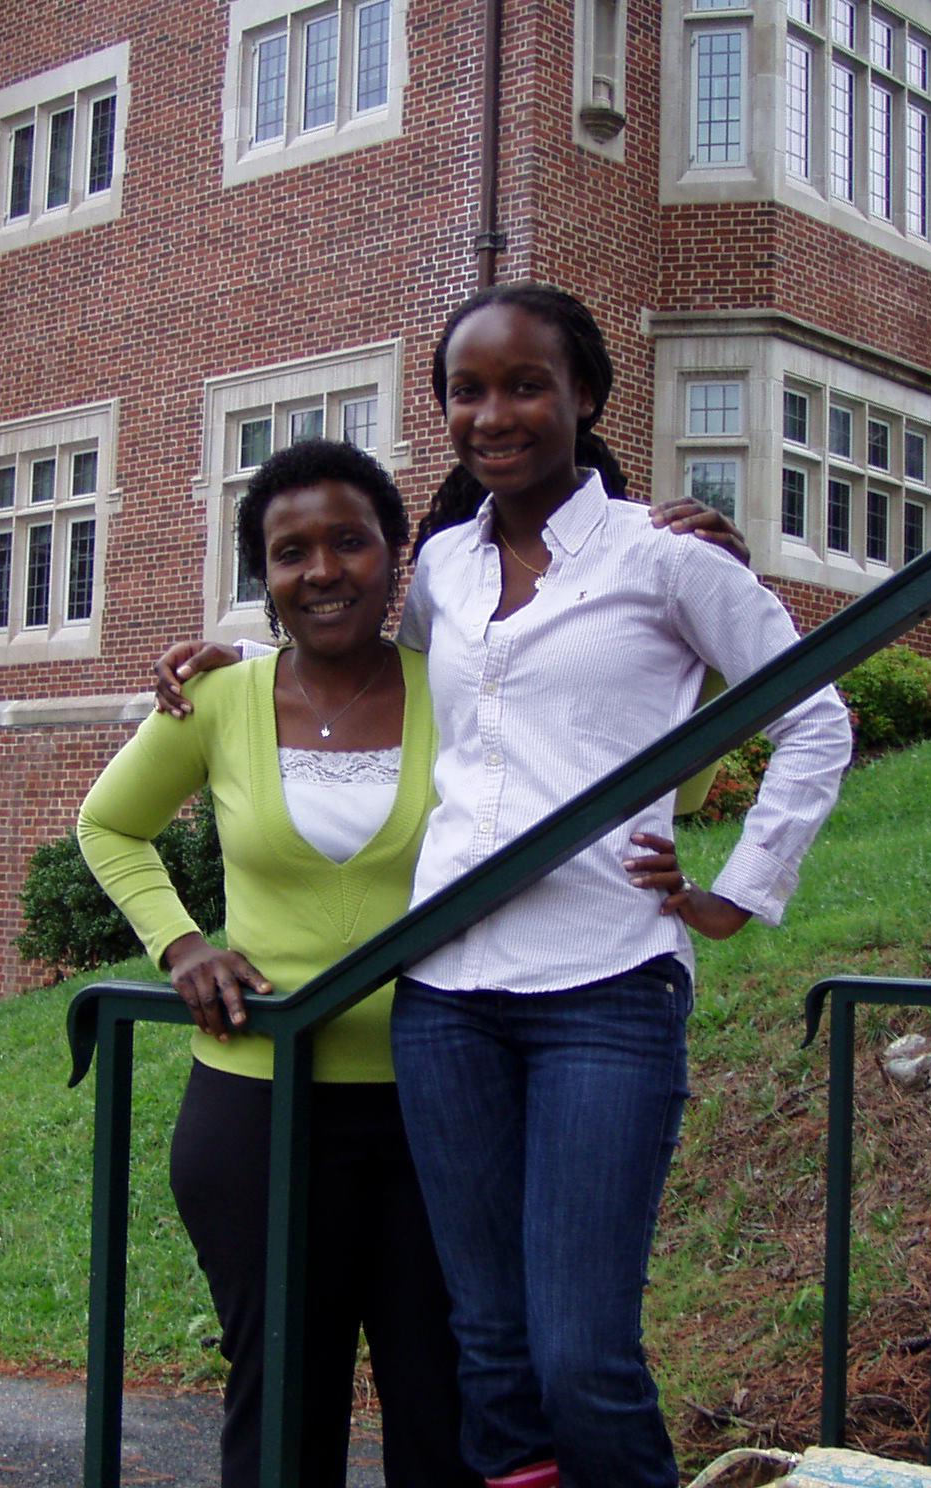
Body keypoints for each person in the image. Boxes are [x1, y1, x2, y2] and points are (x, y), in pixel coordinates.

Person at [157, 285, 851, 1488]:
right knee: (487, 1352)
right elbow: (370, 662)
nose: (495, 413)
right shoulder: (444, 570)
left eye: (525, 384)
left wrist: (740, 890)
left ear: (585, 396)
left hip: (602, 987)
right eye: (467, 391)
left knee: (579, 1353)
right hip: (444, 998)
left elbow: (817, 716)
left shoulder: (663, 559)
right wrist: (242, 663)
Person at [76, 440, 477, 1488]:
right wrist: (182, 943)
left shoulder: (466, 695)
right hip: (257, 1110)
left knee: (442, 1408)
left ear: (397, 557)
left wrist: (698, 632)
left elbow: (670, 776)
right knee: (282, 1409)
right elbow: (109, 827)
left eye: (350, 541)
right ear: (263, 576)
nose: (323, 570)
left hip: (437, 1102)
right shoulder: (216, 702)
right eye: (290, 551)